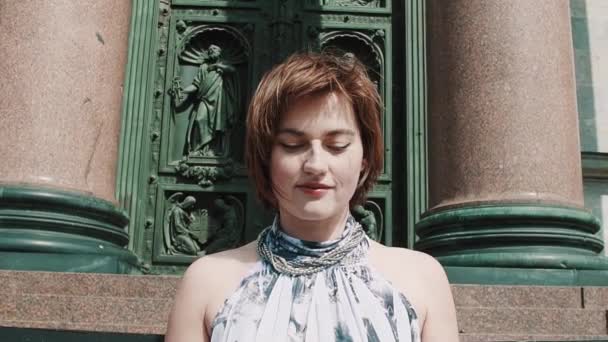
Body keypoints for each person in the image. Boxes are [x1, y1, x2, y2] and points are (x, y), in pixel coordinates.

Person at [165, 52, 459, 342]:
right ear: (266, 158)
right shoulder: (206, 283)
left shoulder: (422, 279)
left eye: (337, 145)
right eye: (293, 145)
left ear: (365, 160)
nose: (316, 165)